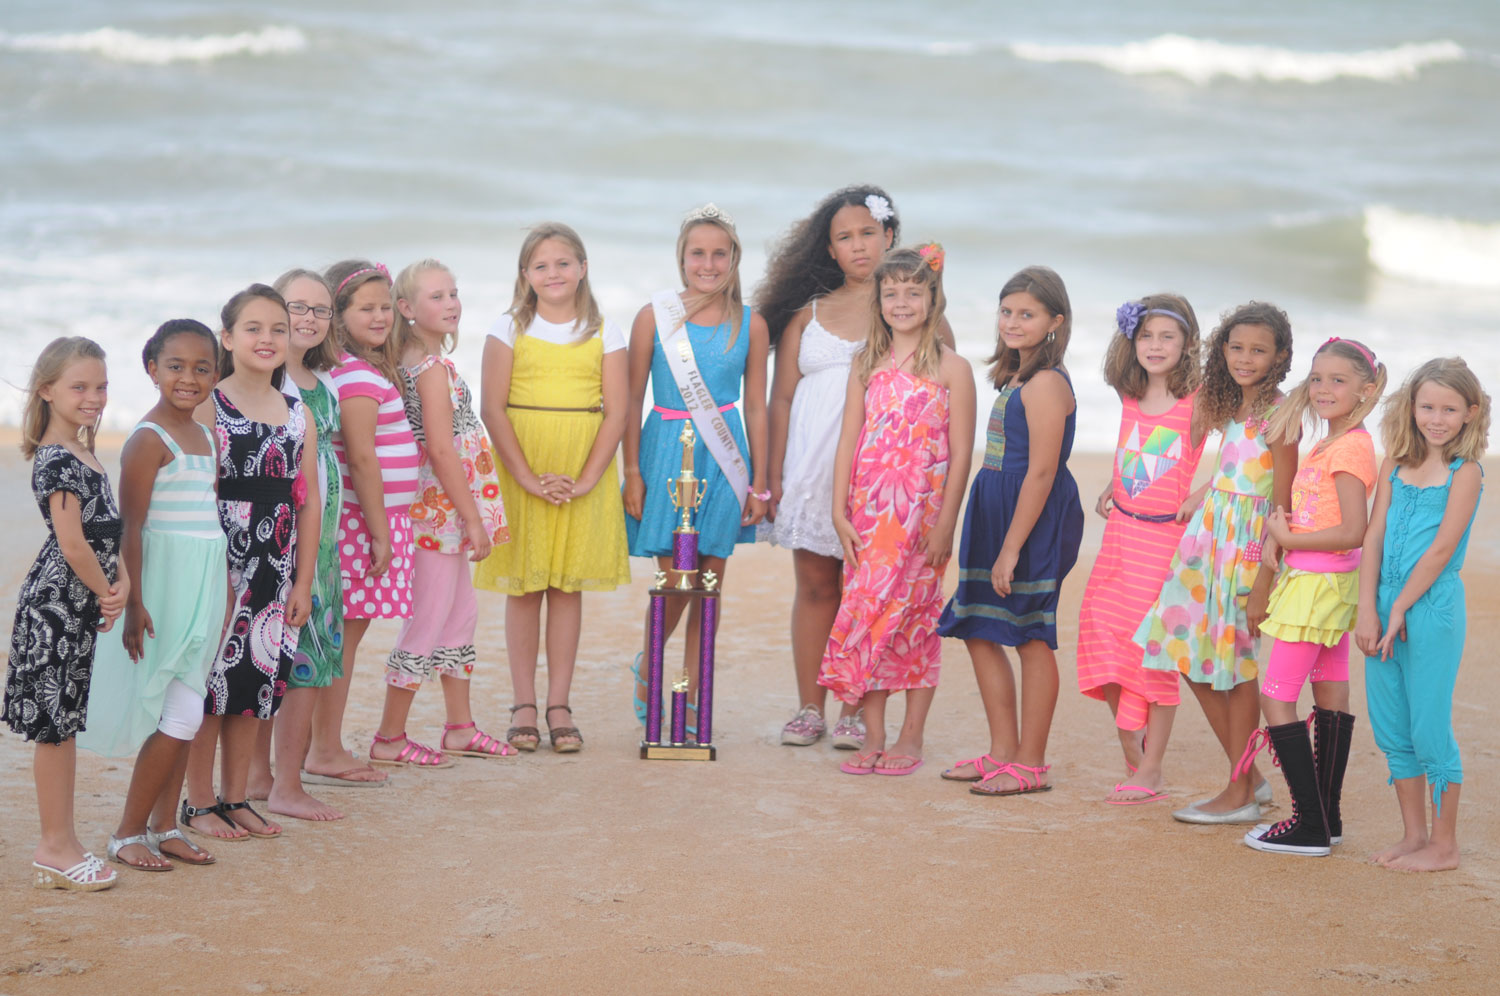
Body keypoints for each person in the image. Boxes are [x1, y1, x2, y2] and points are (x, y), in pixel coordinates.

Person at [757, 186, 927, 749]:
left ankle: (855, 707)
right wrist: (773, 475)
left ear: (891, 237)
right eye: (845, 238)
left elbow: (941, 397)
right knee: (814, 586)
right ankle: (811, 706)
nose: (858, 246)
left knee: (866, 591)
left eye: (868, 234)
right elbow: (780, 399)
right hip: (810, 468)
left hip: (882, 478)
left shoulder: (911, 310)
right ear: (829, 250)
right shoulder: (808, 316)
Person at [817, 244, 974, 775]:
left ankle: (911, 736)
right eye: (891, 293)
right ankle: (874, 733)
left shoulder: (954, 369)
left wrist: (946, 523)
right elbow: (848, 441)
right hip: (869, 516)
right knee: (868, 617)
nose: (901, 302)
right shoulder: (866, 363)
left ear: (933, 297)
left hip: (922, 520)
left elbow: (960, 455)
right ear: (879, 300)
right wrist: (839, 512)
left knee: (914, 622)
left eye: (914, 291)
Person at [1137, 303, 1296, 824]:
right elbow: (1239, 470)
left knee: (1235, 665)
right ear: (1221, 350)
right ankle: (1246, 775)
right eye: (1236, 347)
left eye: (1258, 349)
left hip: (1248, 551)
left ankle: (1239, 789)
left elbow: (1281, 505)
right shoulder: (1230, 404)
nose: (1245, 358)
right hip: (1208, 541)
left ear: (1280, 357)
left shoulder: (1280, 415)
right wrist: (1209, 487)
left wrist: (1264, 582)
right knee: (1186, 650)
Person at [477, 224, 629, 753]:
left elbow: (618, 409)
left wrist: (587, 478)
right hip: (524, 464)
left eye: (564, 263)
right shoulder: (507, 326)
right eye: (541, 266)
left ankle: (559, 702)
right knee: (525, 585)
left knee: (566, 586)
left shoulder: (605, 329)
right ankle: (523, 702)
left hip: (581, 467)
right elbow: (491, 408)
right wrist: (525, 477)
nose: (554, 273)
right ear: (525, 275)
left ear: (583, 267)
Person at [80, 321, 226, 869]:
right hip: (163, 590)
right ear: (151, 369)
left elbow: (206, 522)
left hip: (202, 589)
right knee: (180, 714)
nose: (188, 378)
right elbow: (131, 527)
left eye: (201, 368)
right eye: (175, 366)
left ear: (216, 373)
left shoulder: (206, 435)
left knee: (188, 706)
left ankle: (165, 826)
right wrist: (134, 602)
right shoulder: (147, 439)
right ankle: (126, 832)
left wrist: (221, 591)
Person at [937, 267, 1084, 796]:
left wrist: (1012, 548)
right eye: (1007, 311)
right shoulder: (1014, 374)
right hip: (994, 507)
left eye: (1027, 314)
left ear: (1054, 322)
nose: (1013, 322)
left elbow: (1042, 472)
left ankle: (1031, 762)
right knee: (977, 627)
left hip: (1030, 519)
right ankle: (1001, 751)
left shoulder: (1046, 382)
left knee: (1029, 635)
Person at [623, 205, 769, 737]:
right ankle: (650, 668)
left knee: (708, 585)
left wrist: (761, 480)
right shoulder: (653, 316)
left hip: (725, 458)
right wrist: (632, 473)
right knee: (672, 583)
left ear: (734, 259)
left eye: (719, 254)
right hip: (666, 453)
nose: (708, 264)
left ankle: (692, 700)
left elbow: (757, 404)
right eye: (697, 254)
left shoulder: (752, 322)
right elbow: (630, 397)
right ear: (682, 259)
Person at [182, 285, 319, 842]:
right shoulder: (209, 404)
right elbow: (194, 496)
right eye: (254, 328)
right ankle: (198, 803)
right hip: (220, 565)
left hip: (277, 565)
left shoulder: (296, 411)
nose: (267, 339)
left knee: (253, 684)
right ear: (228, 337)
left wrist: (303, 581)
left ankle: (236, 796)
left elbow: (307, 503)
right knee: (206, 686)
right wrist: (207, 579)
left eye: (277, 330)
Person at [1242, 337, 1385, 856]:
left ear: (1366, 390)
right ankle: (1328, 817)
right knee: (1330, 692)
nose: (1324, 389)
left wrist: (1287, 539)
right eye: (1318, 378)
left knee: (1276, 697)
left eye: (1339, 380)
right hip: (1328, 583)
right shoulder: (1338, 440)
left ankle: (1307, 824)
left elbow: (1354, 529)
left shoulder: (1349, 447)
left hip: (1317, 584)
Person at [373, 259, 513, 760]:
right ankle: (389, 737)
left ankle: (460, 726)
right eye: (437, 296)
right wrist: (473, 517)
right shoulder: (427, 369)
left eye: (454, 293)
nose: (451, 303)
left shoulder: (430, 361)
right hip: (437, 512)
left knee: (461, 613)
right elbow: (439, 448)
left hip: (447, 510)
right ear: (406, 309)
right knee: (429, 617)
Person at [1357, 358, 1488, 872]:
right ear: (1412, 407)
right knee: (1391, 725)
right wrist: (1369, 610)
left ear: (1469, 413)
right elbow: (1372, 538)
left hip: (1431, 608)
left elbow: (1440, 551)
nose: (1436, 418)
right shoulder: (1392, 463)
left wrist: (1401, 610)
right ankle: (1414, 835)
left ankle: (1445, 844)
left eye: (1449, 409)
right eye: (1427, 406)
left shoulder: (1467, 472)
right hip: (1384, 604)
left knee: (1429, 725)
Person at [1076, 295, 1204, 804]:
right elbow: (1136, 451)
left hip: (1164, 544)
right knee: (1099, 630)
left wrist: (1206, 491)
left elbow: (1251, 450)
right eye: (1146, 336)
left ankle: (1150, 769)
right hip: (1119, 537)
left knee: (1153, 652)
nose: (1155, 346)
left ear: (1187, 343)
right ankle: (1134, 749)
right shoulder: (1129, 395)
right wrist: (1115, 481)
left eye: (1167, 337)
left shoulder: (1197, 401)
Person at [8, 337, 124, 891]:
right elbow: (72, 544)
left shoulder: (83, 451)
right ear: (47, 390)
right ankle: (54, 845)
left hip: (80, 599)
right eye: (79, 386)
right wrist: (108, 591)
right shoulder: (57, 459)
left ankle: (64, 838)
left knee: (67, 723)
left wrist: (120, 576)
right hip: (58, 605)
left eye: (100, 386)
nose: (93, 396)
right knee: (55, 728)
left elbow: (104, 534)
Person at [245, 268, 356, 817]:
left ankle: (283, 777)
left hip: (323, 547)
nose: (308, 319)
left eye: (320, 310)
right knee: (272, 658)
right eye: (297, 307)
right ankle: (267, 778)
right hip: (279, 542)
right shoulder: (266, 383)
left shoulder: (325, 385)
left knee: (312, 659)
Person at [323, 261, 430, 766]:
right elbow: (361, 456)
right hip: (362, 526)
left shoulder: (362, 369)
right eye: (366, 307)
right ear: (339, 316)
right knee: (342, 642)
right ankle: (324, 748)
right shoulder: (356, 375)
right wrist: (380, 534)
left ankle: (321, 745)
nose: (381, 315)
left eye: (386, 306)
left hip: (369, 523)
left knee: (347, 637)